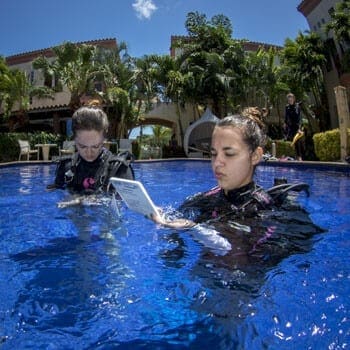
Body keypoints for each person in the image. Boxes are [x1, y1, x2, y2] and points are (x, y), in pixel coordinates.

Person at [152, 111, 308, 229]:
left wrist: (194, 228)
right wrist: (163, 217)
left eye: (229, 153)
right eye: (213, 154)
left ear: (255, 156)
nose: (217, 162)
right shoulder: (206, 199)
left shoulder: (265, 210)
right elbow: (176, 215)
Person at [47, 104, 134, 202]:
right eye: (82, 146)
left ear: (104, 139)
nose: (89, 153)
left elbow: (128, 205)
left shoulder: (119, 170)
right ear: (74, 139)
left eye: (95, 146)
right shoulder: (66, 167)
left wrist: (81, 200)